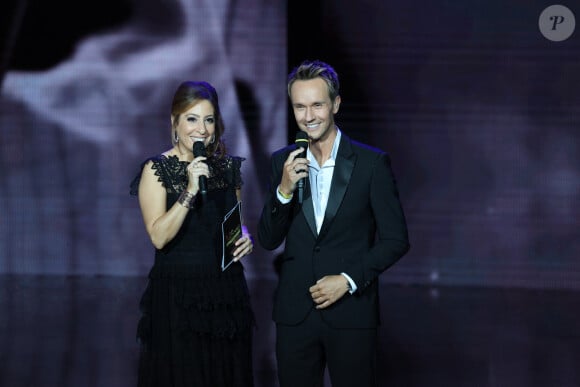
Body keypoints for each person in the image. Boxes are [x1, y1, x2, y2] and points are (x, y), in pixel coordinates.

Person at [258, 60, 410, 387]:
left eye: (317, 105)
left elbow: (396, 240)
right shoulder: (282, 162)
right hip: (295, 315)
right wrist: (283, 191)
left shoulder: (371, 164)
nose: (308, 116)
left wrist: (349, 279)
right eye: (300, 107)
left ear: (336, 104)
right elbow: (268, 240)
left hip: (351, 313)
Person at [130, 81, 255, 387]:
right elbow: (159, 236)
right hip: (178, 296)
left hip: (224, 293)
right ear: (175, 123)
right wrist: (188, 190)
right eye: (192, 118)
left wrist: (245, 236)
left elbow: (233, 222)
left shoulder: (227, 168)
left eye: (209, 119)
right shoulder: (157, 169)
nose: (202, 129)